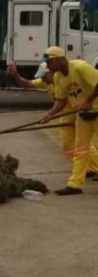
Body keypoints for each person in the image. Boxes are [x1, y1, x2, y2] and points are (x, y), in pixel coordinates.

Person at [8, 61, 98, 179]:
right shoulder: (48, 82)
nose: (43, 80)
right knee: (68, 145)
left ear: (51, 72)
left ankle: (94, 168)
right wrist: (16, 75)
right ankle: (89, 168)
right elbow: (27, 84)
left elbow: (63, 101)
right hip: (66, 114)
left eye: (44, 77)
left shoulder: (63, 79)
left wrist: (50, 115)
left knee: (83, 144)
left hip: (76, 112)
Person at [41, 46, 98, 195]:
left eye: (49, 62)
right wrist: (49, 115)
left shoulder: (80, 67)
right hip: (83, 114)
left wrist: (89, 100)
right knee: (81, 149)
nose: (47, 66)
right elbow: (60, 100)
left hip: (97, 110)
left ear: (59, 59)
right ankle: (74, 184)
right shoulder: (58, 77)